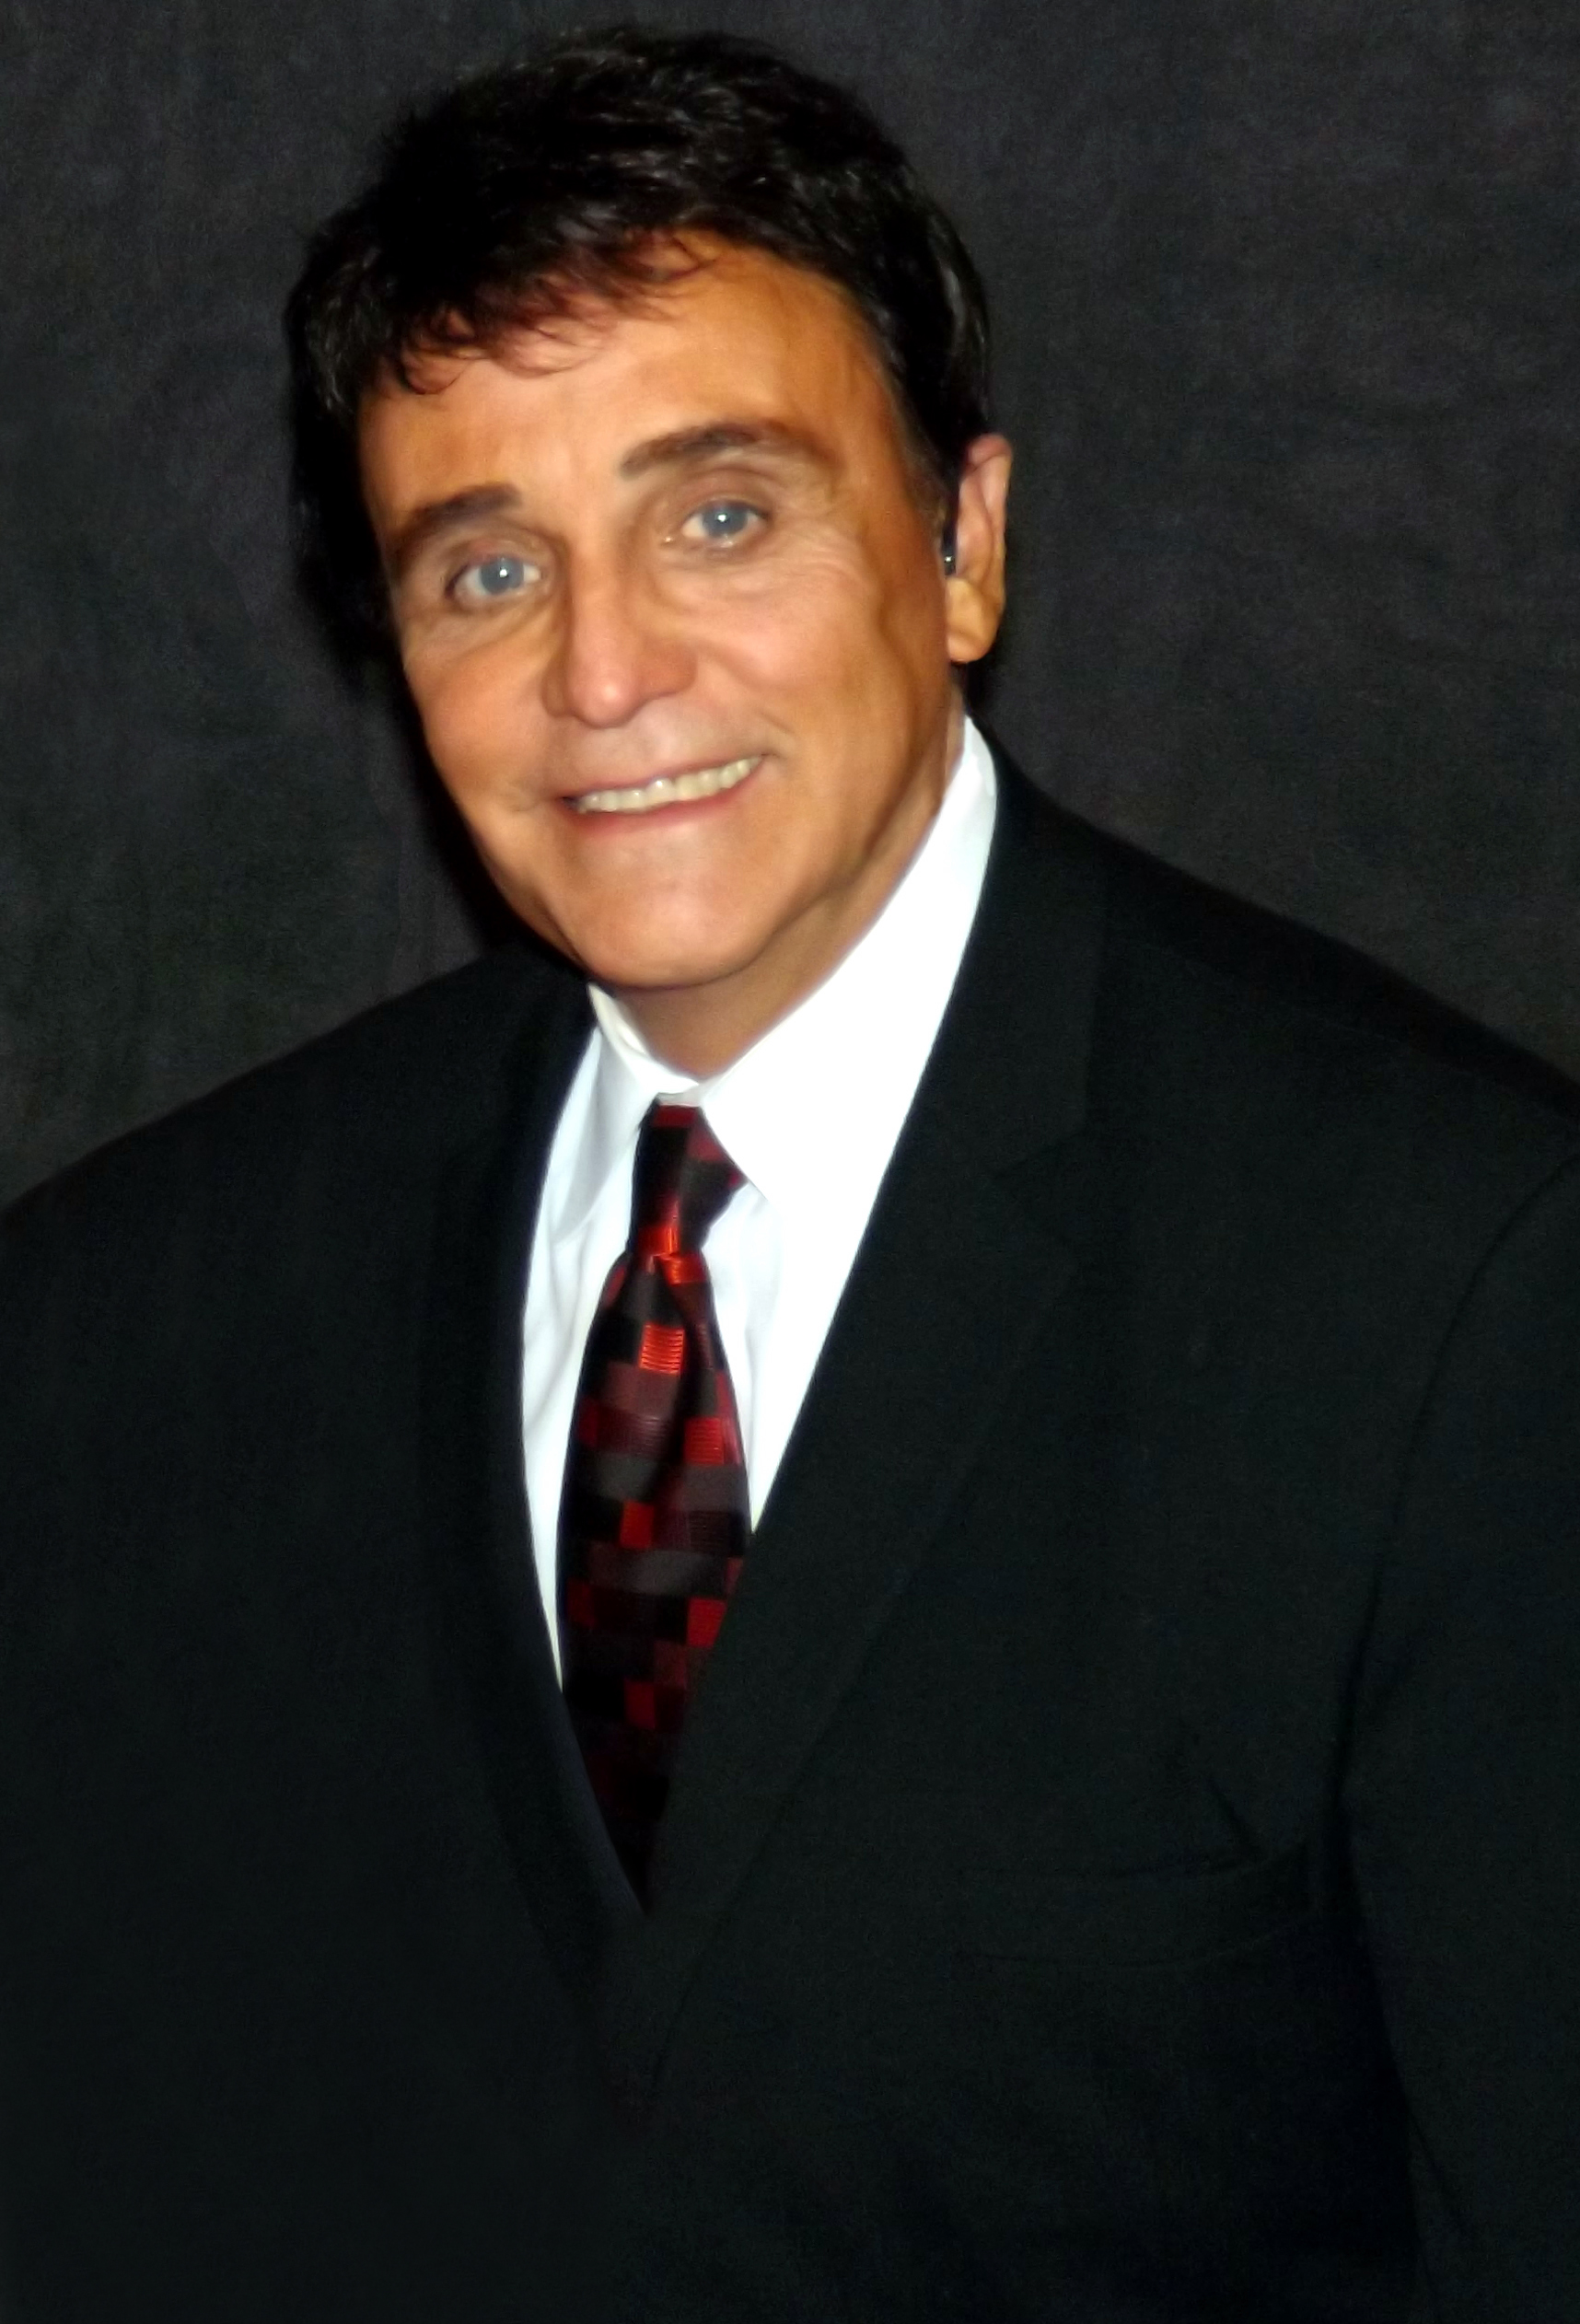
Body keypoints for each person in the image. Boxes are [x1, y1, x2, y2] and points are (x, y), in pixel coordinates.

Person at [3, 25, 1579, 2321]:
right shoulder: (125, 1316)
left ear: (963, 547)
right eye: (487, 568)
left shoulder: (1461, 1286)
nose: (604, 672)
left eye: (721, 515)